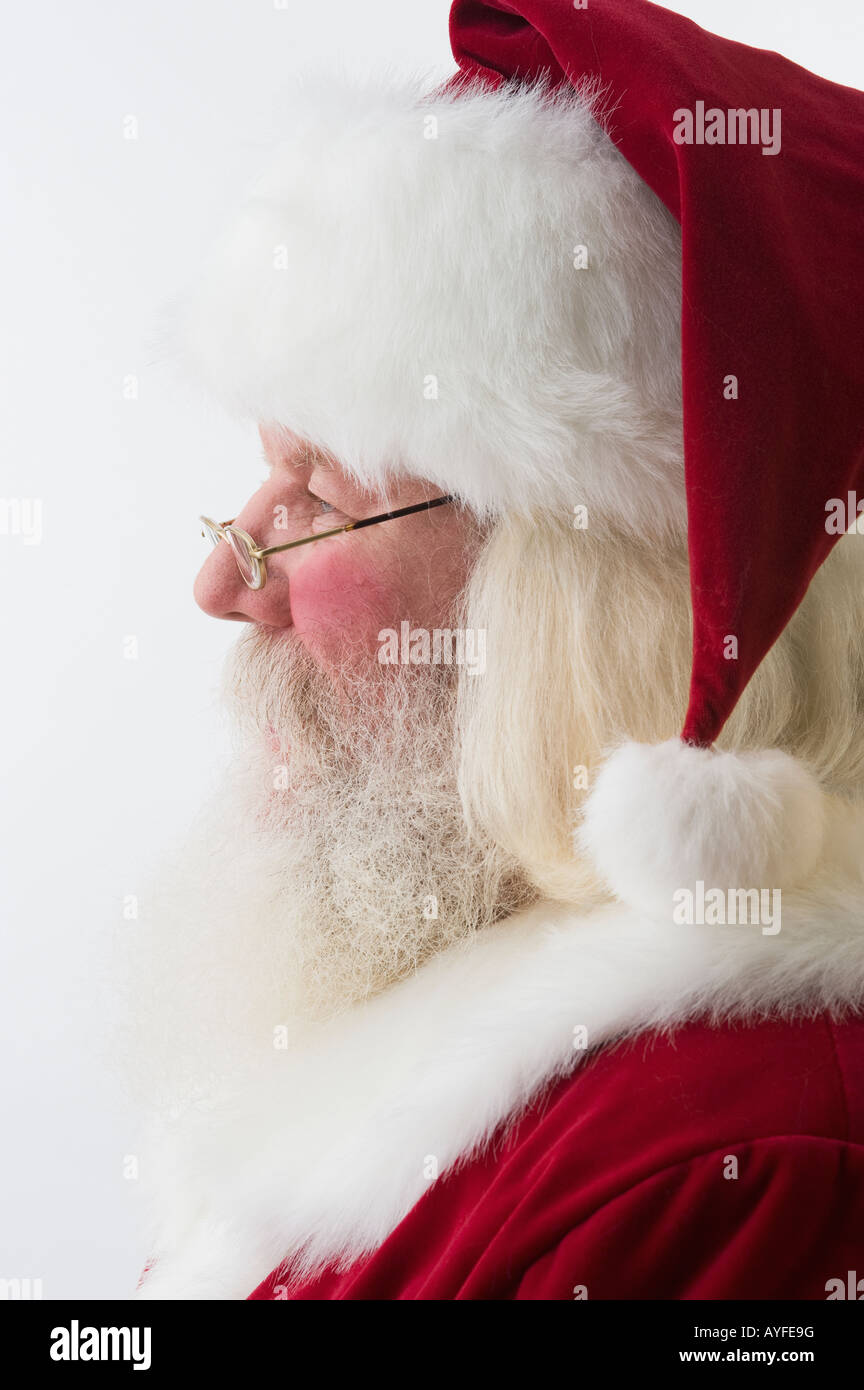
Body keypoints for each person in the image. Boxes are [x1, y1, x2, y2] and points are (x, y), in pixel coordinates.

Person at [127, 0, 864, 1299]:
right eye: (258, 478)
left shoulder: (735, 1152)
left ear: (568, 598)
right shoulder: (471, 1024)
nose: (221, 581)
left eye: (317, 490)